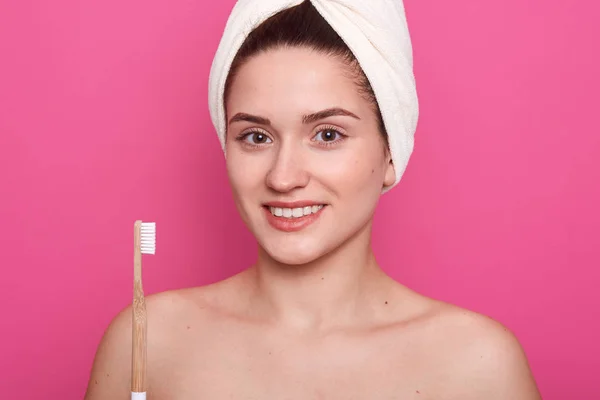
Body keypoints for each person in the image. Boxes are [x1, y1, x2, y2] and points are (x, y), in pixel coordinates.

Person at [84, 1, 541, 398]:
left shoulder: (478, 365)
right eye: (256, 136)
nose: (283, 177)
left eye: (327, 134)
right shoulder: (145, 343)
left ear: (391, 153)